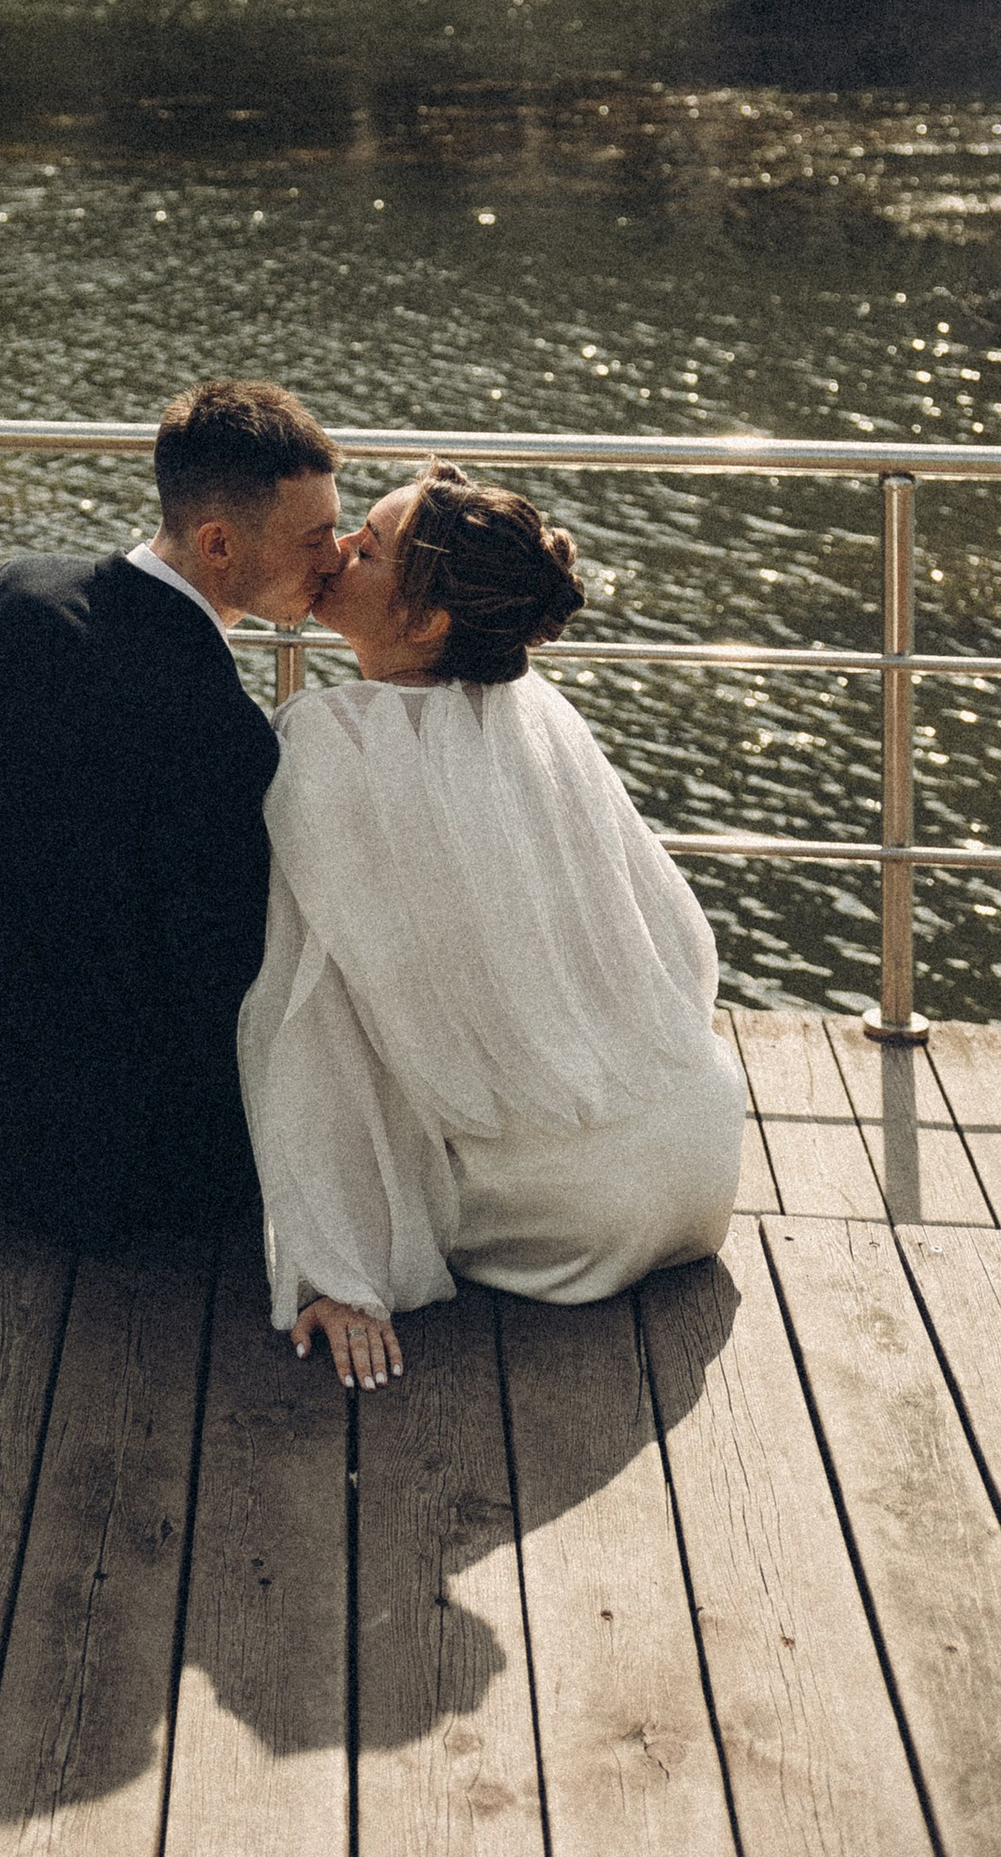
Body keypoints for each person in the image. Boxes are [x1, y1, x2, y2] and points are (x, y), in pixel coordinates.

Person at [239, 463, 746, 1389]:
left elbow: (318, 1009)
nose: (343, 545)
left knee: (330, 997)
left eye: (373, 545)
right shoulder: (538, 709)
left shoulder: (324, 740)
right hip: (704, 1143)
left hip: (582, 1213)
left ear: (427, 622)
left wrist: (338, 1268)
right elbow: (672, 942)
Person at [0, 377, 344, 1251]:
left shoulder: (17, 594)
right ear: (218, 543)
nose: (336, 557)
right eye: (315, 537)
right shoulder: (224, 733)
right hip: (126, 1171)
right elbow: (224, 968)